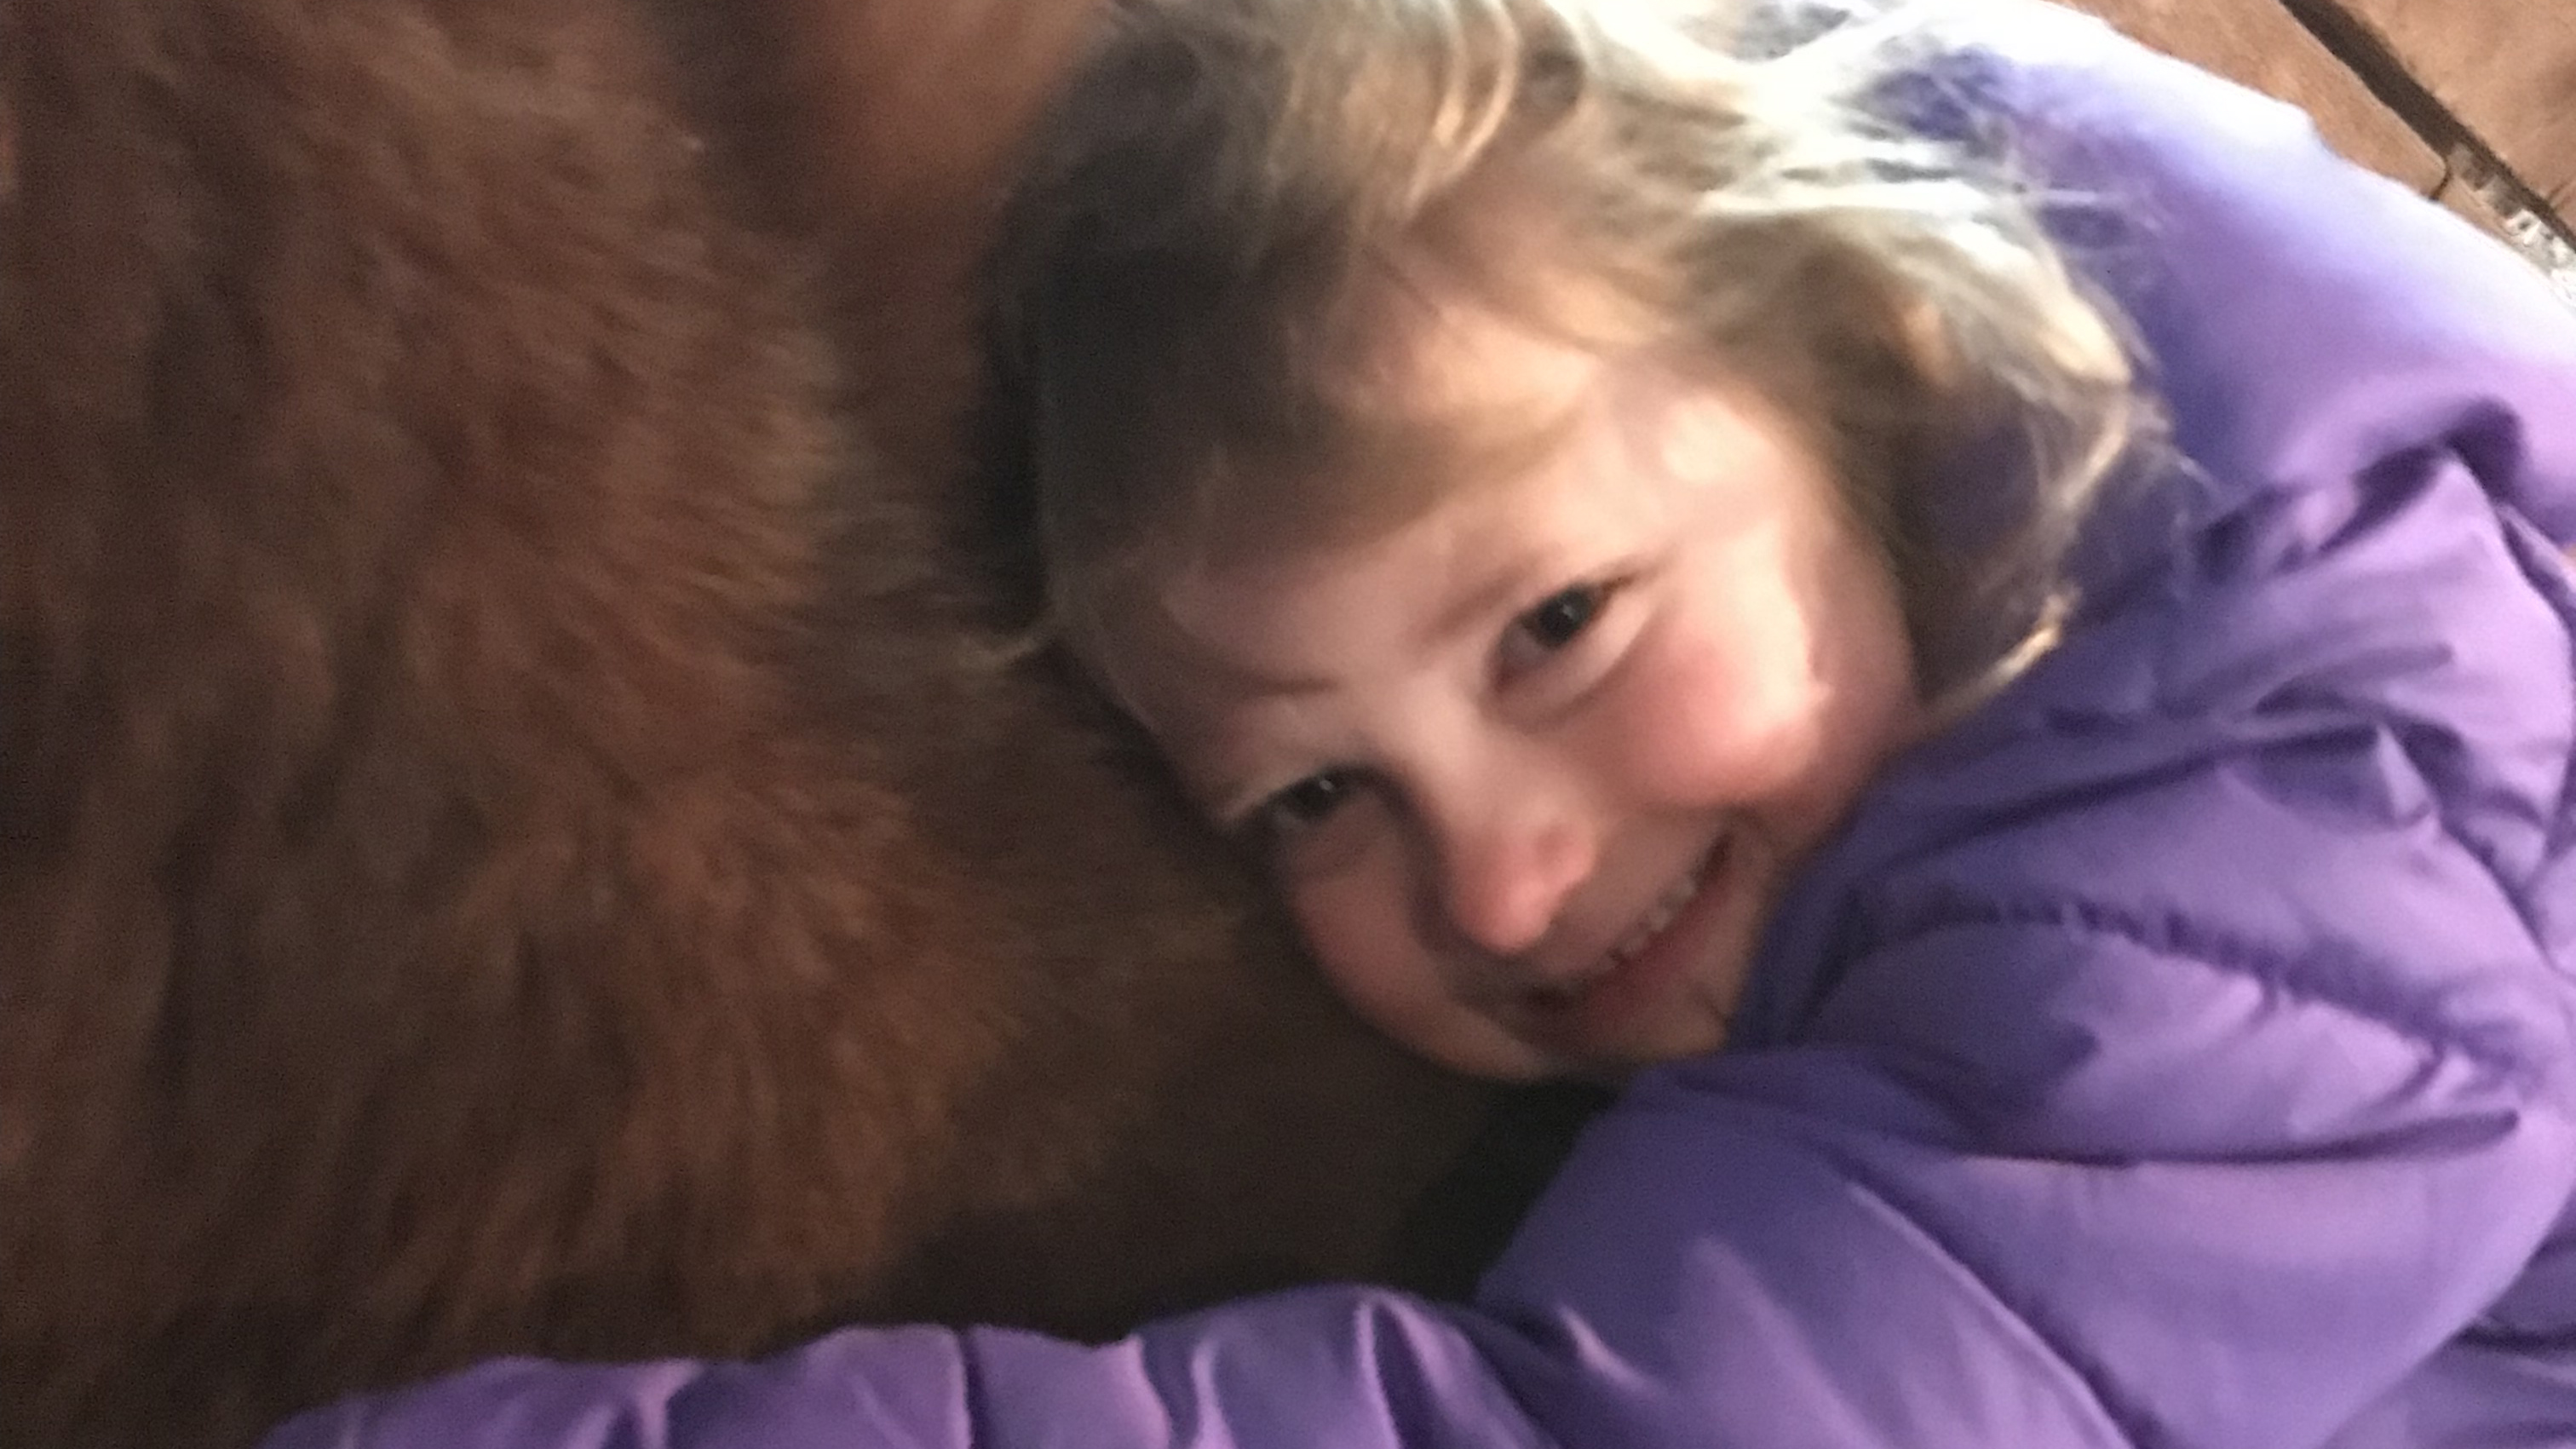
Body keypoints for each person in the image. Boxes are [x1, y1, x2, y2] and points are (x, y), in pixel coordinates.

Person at [264, 0, 2576, 1444]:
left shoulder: (2292, 857)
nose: (1500, 880)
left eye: (1556, 628)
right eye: (1313, 794)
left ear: (1880, 356)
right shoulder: (1816, 373)